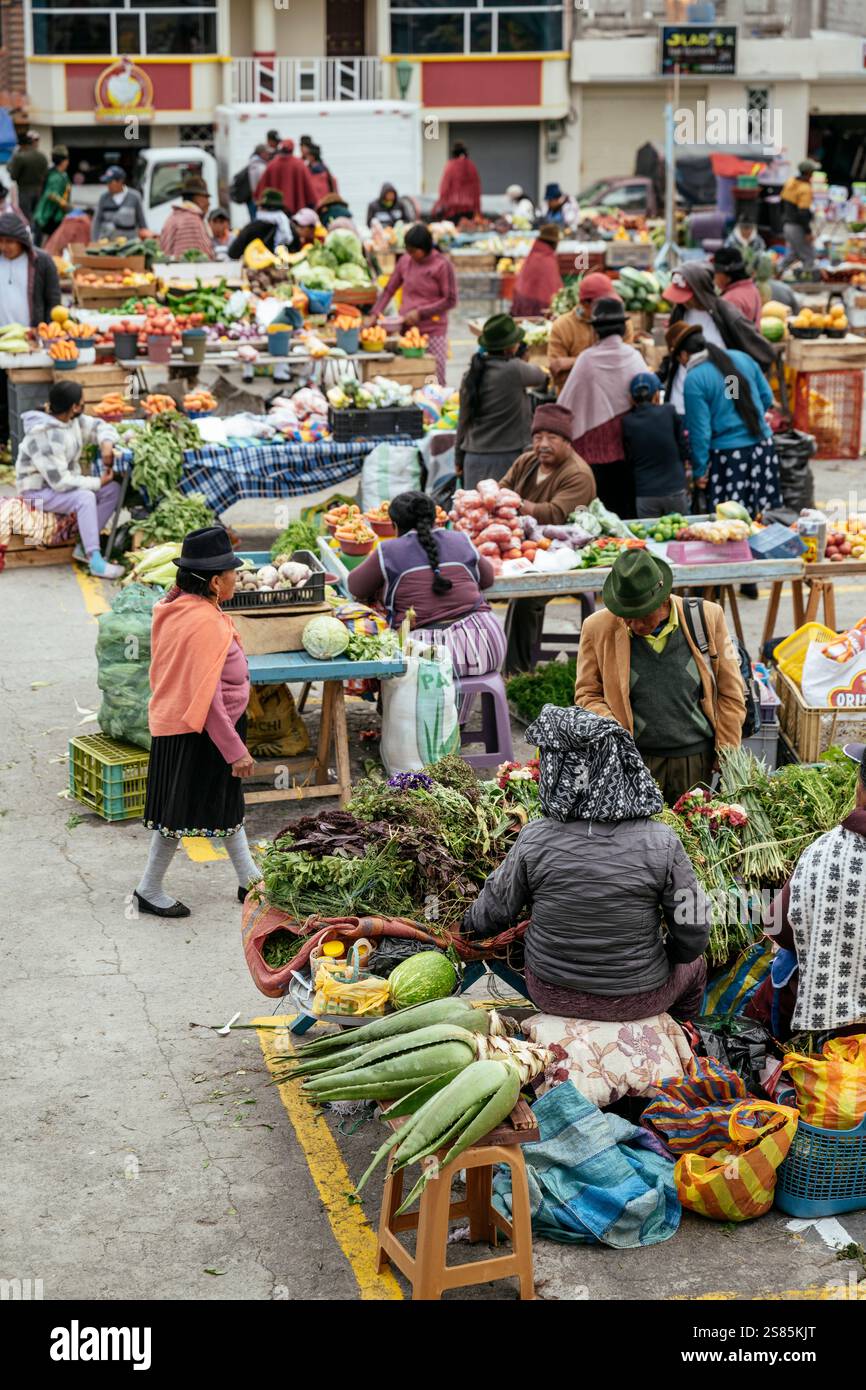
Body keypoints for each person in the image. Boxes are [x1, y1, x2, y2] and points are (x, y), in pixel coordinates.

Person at [462, 706, 711, 1021]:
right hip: (638, 999)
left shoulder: (534, 837)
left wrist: (462, 930)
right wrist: (671, 957)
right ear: (619, 766)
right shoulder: (661, 841)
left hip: (550, 993)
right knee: (695, 965)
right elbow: (694, 929)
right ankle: (686, 1038)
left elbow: (492, 914)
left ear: (557, 771)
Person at [133, 527, 260, 918]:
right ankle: (149, 889)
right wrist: (234, 750)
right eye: (232, 572)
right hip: (202, 732)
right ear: (215, 581)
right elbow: (204, 701)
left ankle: (249, 881)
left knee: (224, 806)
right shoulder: (203, 622)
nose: (237, 578)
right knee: (178, 813)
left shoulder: (182, 608)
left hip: (195, 727)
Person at [575, 549, 745, 803]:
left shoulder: (706, 617)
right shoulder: (597, 627)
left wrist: (727, 751)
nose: (631, 624)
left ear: (663, 600)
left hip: (694, 757)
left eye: (640, 616)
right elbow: (587, 693)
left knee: (692, 834)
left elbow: (731, 691)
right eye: (625, 615)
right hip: (634, 758)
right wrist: (613, 729)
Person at [746, 742, 866, 1040]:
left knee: (783, 969)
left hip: (833, 1023)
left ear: (860, 789)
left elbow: (780, 929)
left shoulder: (827, 851)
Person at [347, 490, 506, 679]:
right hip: (487, 645)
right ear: (434, 518)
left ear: (394, 525)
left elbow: (355, 587)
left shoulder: (388, 550)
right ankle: (463, 706)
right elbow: (487, 579)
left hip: (429, 659)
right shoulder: (460, 539)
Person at [499, 402, 596, 675]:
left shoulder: (577, 474)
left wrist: (513, 502)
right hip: (527, 551)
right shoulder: (526, 461)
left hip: (562, 559)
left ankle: (516, 674)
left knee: (526, 597)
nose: (543, 444)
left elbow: (553, 515)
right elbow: (501, 488)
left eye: (552, 438)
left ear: (567, 442)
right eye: (538, 437)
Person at [667, 320, 782, 518]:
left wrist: (699, 471)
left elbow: (700, 432)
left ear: (684, 355)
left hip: (729, 459)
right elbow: (762, 398)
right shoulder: (738, 359)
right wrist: (746, 423)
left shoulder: (695, 378)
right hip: (763, 450)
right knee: (764, 520)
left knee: (732, 524)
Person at [15, 380, 123, 580]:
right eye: (82, 402)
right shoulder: (45, 435)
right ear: (74, 407)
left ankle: (83, 545)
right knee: (85, 497)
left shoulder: (71, 420)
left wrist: (107, 443)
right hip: (37, 493)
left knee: (113, 490)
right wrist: (97, 482)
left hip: (57, 488)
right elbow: (61, 483)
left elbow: (99, 426)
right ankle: (95, 560)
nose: (84, 406)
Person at [558, 297, 646, 518]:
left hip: (593, 453)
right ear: (623, 328)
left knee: (599, 517)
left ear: (596, 330)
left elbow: (566, 403)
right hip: (629, 449)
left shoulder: (586, 360)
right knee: (625, 515)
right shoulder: (634, 357)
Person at [662, 262, 775, 415]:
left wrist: (733, 397)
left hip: (718, 403)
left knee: (722, 430)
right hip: (681, 401)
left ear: (700, 291)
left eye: (687, 297)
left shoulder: (725, 313)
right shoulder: (680, 313)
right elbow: (672, 354)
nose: (683, 301)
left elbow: (761, 352)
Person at [455, 313, 548, 489]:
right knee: (505, 513)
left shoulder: (471, 374)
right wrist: (523, 360)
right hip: (507, 460)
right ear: (511, 347)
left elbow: (463, 421)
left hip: (473, 459)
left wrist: (458, 458)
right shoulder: (515, 369)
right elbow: (541, 377)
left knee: (474, 513)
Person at [369, 223, 457, 385]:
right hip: (407, 330)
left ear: (425, 248)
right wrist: (375, 313)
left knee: (434, 377)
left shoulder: (442, 266)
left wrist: (420, 312)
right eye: (407, 250)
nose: (409, 254)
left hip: (433, 330)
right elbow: (389, 290)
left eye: (413, 251)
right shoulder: (405, 261)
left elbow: (450, 300)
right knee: (409, 375)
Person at [0, 210, 60, 443]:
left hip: (30, 344)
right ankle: (4, 440)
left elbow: (53, 302)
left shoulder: (41, 262)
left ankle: (25, 441)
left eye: (9, 241)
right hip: (3, 341)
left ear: (21, 241)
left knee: (25, 394)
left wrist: (45, 331)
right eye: (1, 241)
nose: (4, 246)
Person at [547, 271, 635, 395]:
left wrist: (572, 362)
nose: (607, 307)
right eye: (602, 303)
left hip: (612, 395)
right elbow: (558, 373)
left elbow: (622, 363)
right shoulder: (562, 326)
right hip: (575, 398)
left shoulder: (622, 323)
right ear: (585, 303)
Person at [621, 372, 690, 520]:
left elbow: (629, 457)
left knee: (650, 538)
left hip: (645, 493)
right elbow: (684, 447)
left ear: (632, 399)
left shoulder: (627, 422)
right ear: (656, 395)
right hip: (675, 489)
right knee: (683, 536)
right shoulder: (669, 411)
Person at [227, 188, 305, 258]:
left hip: (256, 271)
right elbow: (297, 255)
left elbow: (233, 253)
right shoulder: (290, 230)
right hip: (285, 270)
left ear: (262, 208)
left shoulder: (251, 229)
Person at [509, 223, 562, 317]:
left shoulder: (533, 254)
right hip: (538, 309)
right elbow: (552, 290)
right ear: (554, 242)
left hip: (522, 304)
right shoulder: (547, 259)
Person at [254, 139, 316, 216]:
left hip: (274, 210)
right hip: (296, 212)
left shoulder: (272, 165)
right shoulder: (299, 165)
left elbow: (260, 189)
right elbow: (309, 190)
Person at [779, 158, 819, 275]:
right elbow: (803, 213)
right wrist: (808, 232)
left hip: (787, 225)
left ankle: (775, 272)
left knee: (793, 253)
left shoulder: (790, 183)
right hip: (797, 227)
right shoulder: (805, 189)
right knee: (809, 256)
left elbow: (781, 204)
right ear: (808, 173)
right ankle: (807, 283)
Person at [158, 175, 213, 260]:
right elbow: (189, 262)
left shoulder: (173, 216)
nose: (209, 203)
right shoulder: (191, 221)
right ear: (198, 198)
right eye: (206, 197)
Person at [91, 165, 148, 243]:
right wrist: (94, 241)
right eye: (107, 182)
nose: (108, 185)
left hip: (129, 243)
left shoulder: (135, 197)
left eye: (110, 182)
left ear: (120, 181)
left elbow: (142, 222)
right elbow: (96, 221)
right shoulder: (104, 198)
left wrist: (146, 240)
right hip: (107, 243)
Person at [712, 246, 762, 327]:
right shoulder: (752, 288)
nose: (714, 277)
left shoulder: (730, 299)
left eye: (716, 272)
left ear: (727, 276)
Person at [434, 142, 481, 222]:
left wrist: (441, 203)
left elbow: (444, 188)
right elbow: (477, 189)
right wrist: (477, 209)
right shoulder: (471, 166)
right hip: (470, 209)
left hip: (453, 209)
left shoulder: (451, 166)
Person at [33, 146, 70, 246]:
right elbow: (51, 194)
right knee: (44, 246)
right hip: (46, 217)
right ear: (63, 161)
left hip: (52, 216)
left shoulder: (62, 175)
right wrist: (64, 204)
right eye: (67, 160)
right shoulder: (55, 176)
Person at [8, 131, 47, 226]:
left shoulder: (20, 157)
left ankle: (30, 236)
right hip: (39, 190)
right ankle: (38, 237)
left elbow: (13, 176)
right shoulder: (42, 156)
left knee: (26, 217)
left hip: (24, 191)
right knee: (37, 215)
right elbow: (45, 174)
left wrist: (10, 167)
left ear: (22, 145)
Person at [246, 144, 270, 219]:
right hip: (257, 199)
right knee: (256, 221)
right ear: (261, 153)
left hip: (254, 198)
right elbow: (256, 185)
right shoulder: (259, 166)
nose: (268, 155)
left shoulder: (254, 163)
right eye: (266, 153)